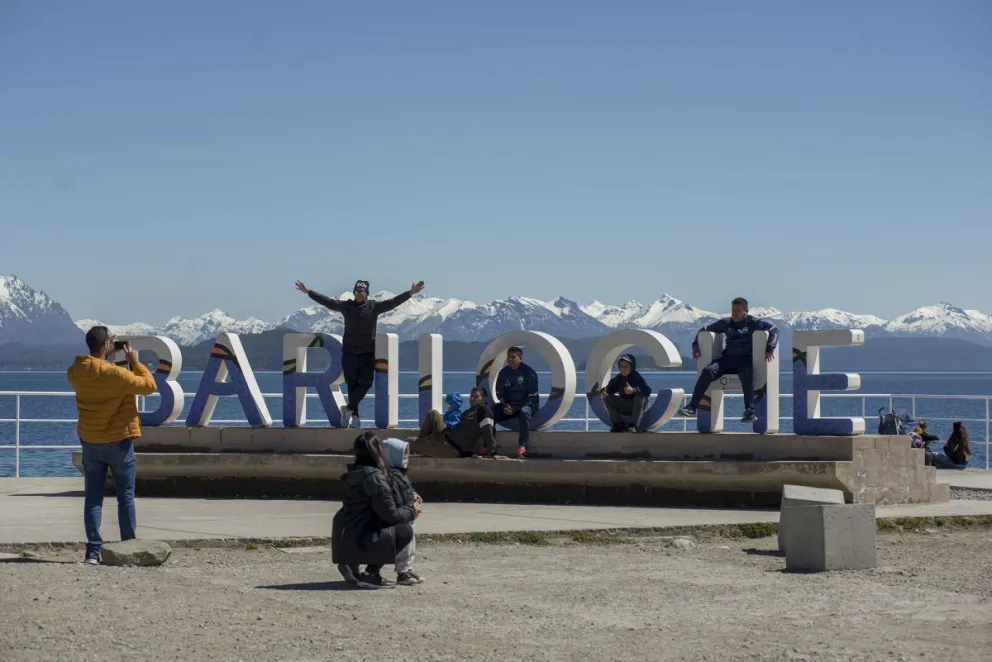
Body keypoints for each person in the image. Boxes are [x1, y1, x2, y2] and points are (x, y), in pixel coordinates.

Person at [66, 326, 158, 565]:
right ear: (107, 345)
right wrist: (134, 363)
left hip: (90, 441)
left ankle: (93, 552)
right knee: (125, 496)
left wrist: (106, 356)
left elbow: (89, 372)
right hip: (119, 442)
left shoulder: (75, 372)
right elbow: (149, 386)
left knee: (93, 498)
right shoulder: (117, 375)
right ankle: (128, 546)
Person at [295, 278, 425, 428]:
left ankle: (348, 409)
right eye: (357, 291)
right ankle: (354, 418)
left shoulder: (373, 307)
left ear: (367, 293)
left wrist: (410, 293)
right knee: (352, 386)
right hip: (349, 353)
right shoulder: (346, 306)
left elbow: (392, 303)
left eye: (362, 291)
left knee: (366, 383)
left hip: (367, 354)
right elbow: (328, 302)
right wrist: (308, 292)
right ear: (354, 291)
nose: (359, 293)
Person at [332, 432, 422, 589]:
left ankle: (352, 564)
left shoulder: (356, 473)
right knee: (404, 531)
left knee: (380, 523)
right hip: (362, 537)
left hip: (348, 533)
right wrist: (412, 510)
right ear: (377, 451)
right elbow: (391, 516)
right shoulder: (375, 478)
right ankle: (371, 574)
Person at [678, 298, 778, 423]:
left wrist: (770, 347)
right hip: (727, 360)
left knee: (747, 375)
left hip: (744, 360)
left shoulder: (753, 323)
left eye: (738, 310)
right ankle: (692, 407)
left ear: (746, 311)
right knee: (707, 371)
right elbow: (703, 329)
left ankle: (750, 411)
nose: (734, 313)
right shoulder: (726, 323)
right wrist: (695, 345)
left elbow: (774, 330)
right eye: (732, 310)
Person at [410, 388, 500, 458]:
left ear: (483, 399)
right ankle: (423, 443)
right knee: (433, 414)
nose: (472, 399)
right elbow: (457, 428)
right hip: (445, 437)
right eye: (471, 396)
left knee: (409, 442)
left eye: (476, 396)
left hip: (451, 448)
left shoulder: (483, 409)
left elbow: (489, 428)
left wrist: (493, 451)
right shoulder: (467, 412)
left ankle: (420, 446)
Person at [382, 438, 425, 586]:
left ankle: (407, 568)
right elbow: (396, 498)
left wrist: (415, 496)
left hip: (408, 515)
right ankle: (403, 572)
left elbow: (407, 491)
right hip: (403, 516)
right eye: (403, 456)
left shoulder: (400, 475)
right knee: (405, 545)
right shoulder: (391, 477)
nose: (406, 460)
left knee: (410, 546)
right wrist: (412, 507)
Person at [491, 347, 539, 458]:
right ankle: (490, 446)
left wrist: (516, 408)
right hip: (509, 406)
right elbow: (499, 394)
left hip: (528, 405)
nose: (510, 360)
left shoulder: (529, 372)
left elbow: (532, 396)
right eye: (508, 357)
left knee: (524, 412)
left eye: (513, 357)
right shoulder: (503, 373)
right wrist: (505, 406)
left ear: (520, 358)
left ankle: (522, 446)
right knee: (490, 411)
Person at [599, 354, 652, 432]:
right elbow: (609, 389)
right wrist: (603, 391)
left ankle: (634, 425)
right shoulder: (618, 378)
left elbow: (647, 391)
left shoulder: (636, 376)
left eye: (626, 366)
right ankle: (618, 423)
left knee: (640, 396)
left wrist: (633, 390)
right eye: (621, 366)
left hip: (637, 406)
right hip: (624, 406)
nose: (623, 369)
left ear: (631, 366)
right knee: (606, 397)